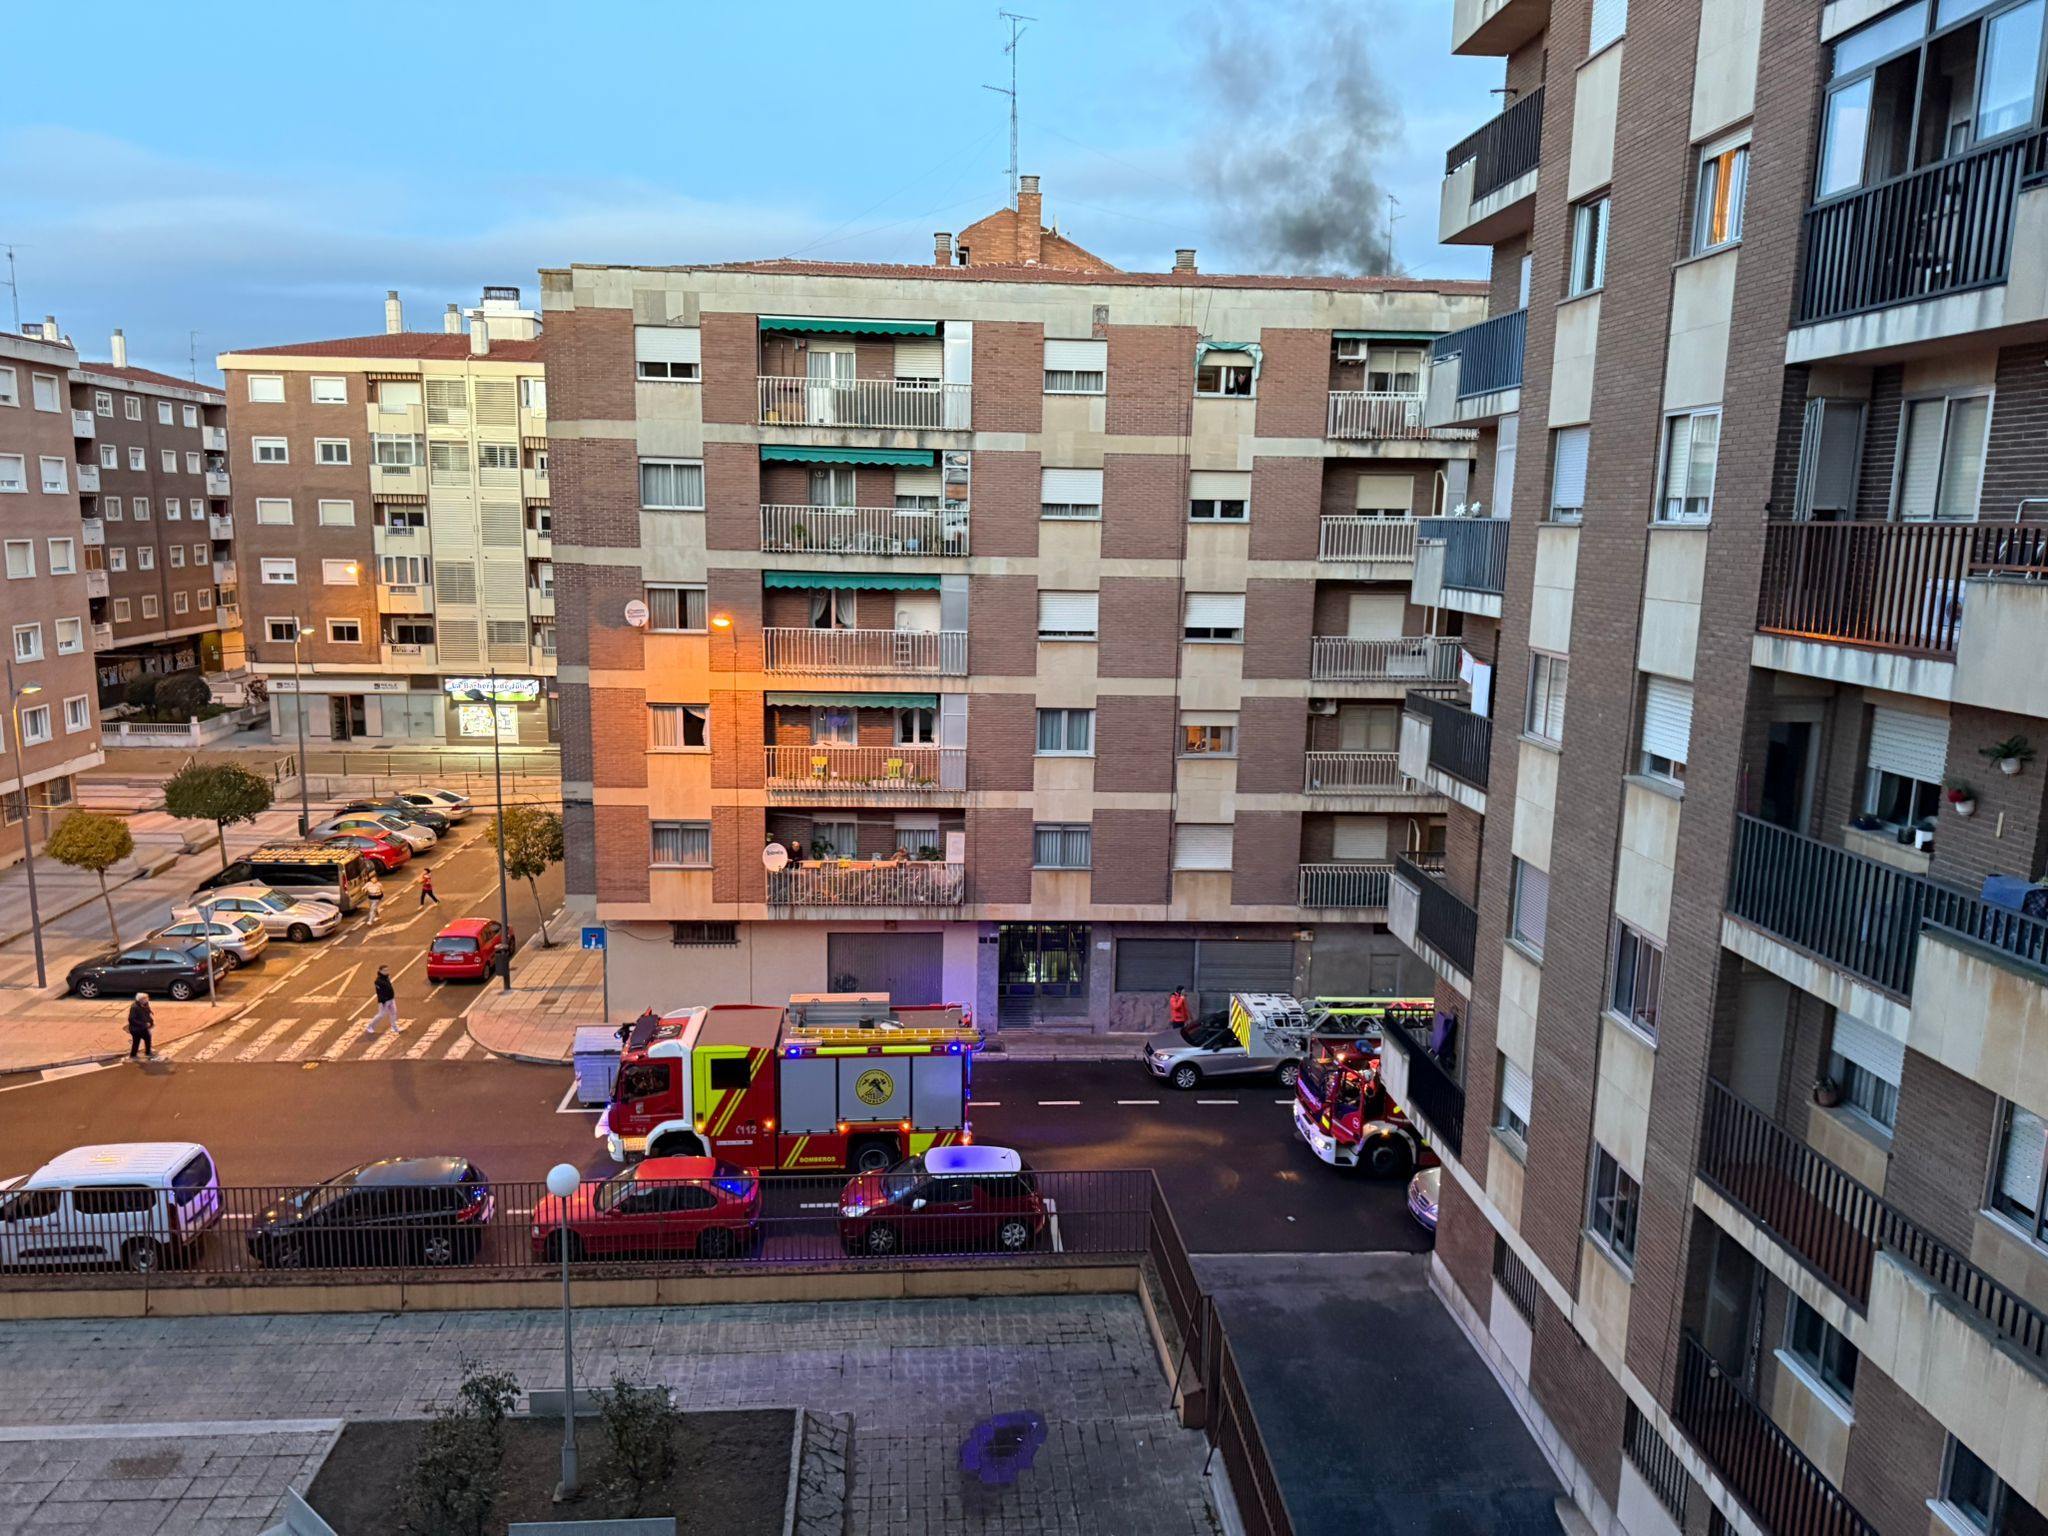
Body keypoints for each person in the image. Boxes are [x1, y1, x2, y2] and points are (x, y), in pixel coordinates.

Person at [365, 965, 403, 1036]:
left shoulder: (387, 977)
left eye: (387, 970)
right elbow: (380, 993)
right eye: (385, 970)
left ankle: (394, 1027)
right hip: (384, 1001)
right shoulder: (378, 981)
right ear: (380, 971)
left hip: (391, 998)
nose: (386, 972)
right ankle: (370, 1026)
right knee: (381, 1015)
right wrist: (383, 1001)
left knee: (393, 1012)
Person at [127, 994, 155, 1061]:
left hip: (142, 1027)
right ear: (140, 1000)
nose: (147, 1000)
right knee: (138, 1040)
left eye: (147, 998)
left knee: (147, 1038)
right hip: (136, 1029)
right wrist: (143, 1024)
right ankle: (135, 1054)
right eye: (145, 998)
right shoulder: (134, 1007)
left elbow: (147, 1013)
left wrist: (151, 1022)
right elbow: (131, 1019)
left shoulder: (145, 1004)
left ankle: (145, 1052)